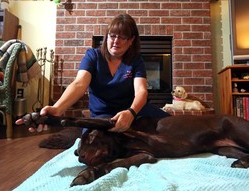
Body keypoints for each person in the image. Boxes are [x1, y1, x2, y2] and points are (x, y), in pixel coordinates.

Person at [16, 13, 169, 133]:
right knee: (95, 144)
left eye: (122, 37)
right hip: (103, 115)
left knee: (173, 127)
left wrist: (131, 112)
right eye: (112, 35)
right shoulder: (93, 56)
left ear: (131, 41)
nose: (116, 41)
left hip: (133, 111)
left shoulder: (136, 60)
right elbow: (79, 83)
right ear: (106, 36)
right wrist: (57, 108)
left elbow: (141, 91)